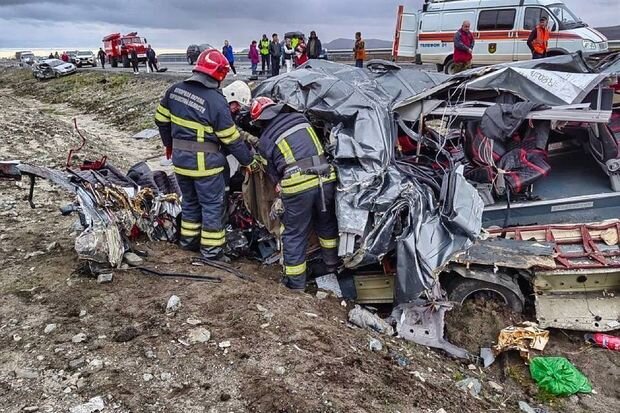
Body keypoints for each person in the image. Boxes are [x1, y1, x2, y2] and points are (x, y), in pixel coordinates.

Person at [154, 49, 258, 261]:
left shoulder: (174, 91)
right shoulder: (215, 100)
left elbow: (160, 119)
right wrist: (249, 161)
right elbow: (231, 138)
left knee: (191, 203)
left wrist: (169, 144)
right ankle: (212, 253)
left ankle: (188, 244)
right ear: (219, 74)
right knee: (212, 206)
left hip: (180, 163)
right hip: (206, 166)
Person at [250, 97, 339, 290]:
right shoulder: (301, 119)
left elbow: (272, 175)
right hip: (326, 177)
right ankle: (332, 266)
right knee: (326, 224)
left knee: (294, 234)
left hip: (298, 185)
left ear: (260, 121)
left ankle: (295, 283)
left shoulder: (266, 140)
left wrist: (279, 185)